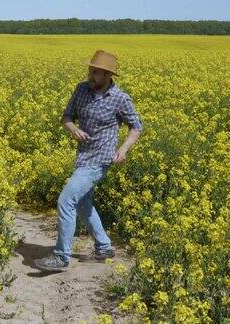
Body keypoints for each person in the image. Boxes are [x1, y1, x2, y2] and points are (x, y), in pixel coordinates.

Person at [34, 49, 143, 272]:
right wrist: (73, 128)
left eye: (95, 72)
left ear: (107, 75)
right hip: (83, 156)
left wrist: (123, 149)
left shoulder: (120, 98)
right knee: (83, 203)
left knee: (66, 200)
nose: (90, 75)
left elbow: (136, 127)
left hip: (100, 159)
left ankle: (61, 256)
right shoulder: (82, 89)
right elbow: (66, 117)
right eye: (90, 71)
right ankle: (104, 247)